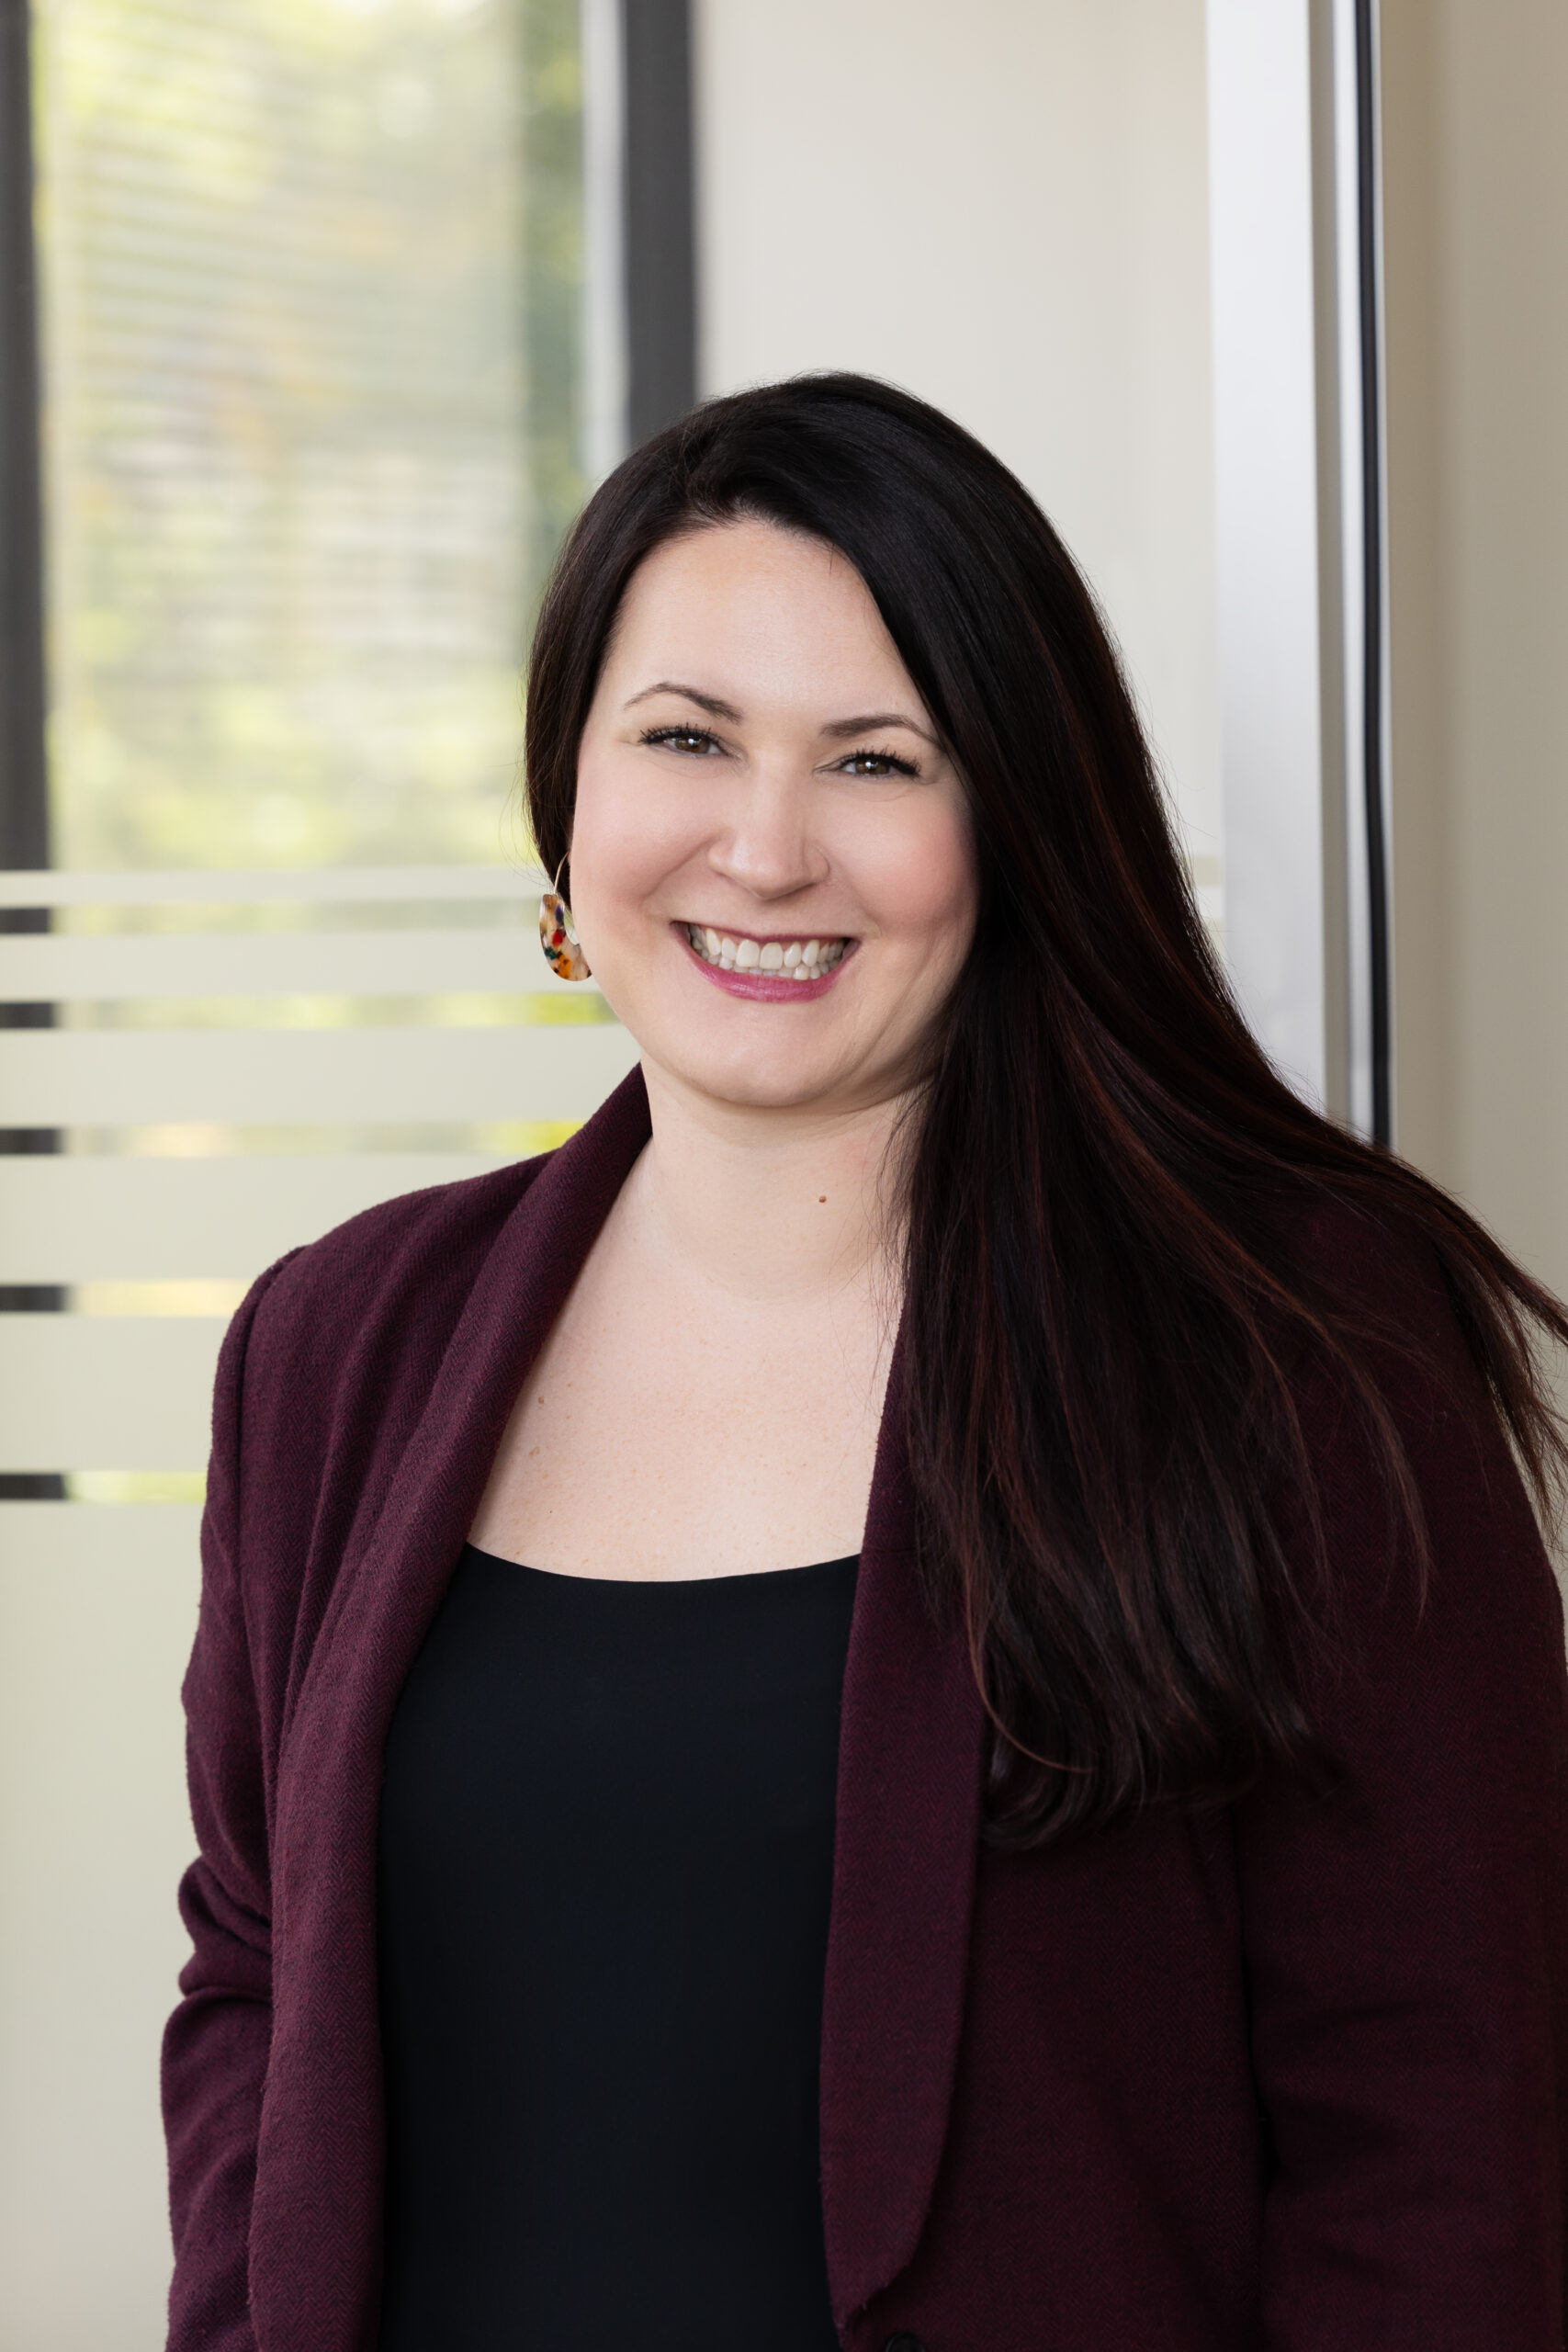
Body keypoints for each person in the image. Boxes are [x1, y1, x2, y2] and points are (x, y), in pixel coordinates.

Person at [162, 375, 1568, 2352]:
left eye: (874, 761)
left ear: (1011, 821)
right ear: (567, 787)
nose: (760, 845)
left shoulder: (1289, 1347)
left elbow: (1439, 2131)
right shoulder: (337, 1345)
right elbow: (252, 1969)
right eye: (683, 737)